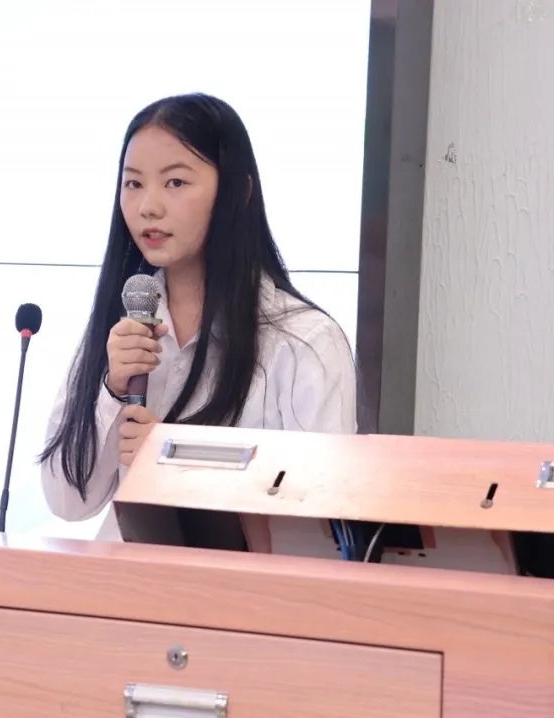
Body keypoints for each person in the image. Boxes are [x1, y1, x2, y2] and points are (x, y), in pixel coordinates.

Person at [38, 92, 357, 541]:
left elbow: (325, 516)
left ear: (238, 191)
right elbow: (67, 502)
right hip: (120, 580)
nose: (148, 206)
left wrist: (177, 462)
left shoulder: (305, 341)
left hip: (232, 585)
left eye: (175, 182)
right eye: (133, 184)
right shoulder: (123, 329)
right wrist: (112, 389)